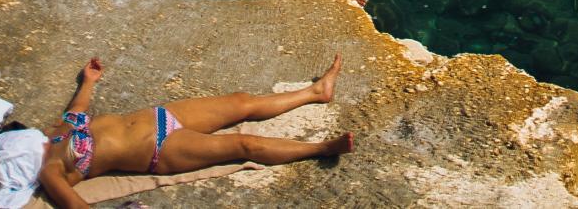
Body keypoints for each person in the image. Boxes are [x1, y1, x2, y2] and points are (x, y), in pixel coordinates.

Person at [32, 51, 350, 203]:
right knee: (244, 146)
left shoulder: (57, 133)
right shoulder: (50, 171)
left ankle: (315, 92)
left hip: (159, 116)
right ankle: (322, 149)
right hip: (159, 150)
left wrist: (88, 81)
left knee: (241, 102)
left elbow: (77, 108)